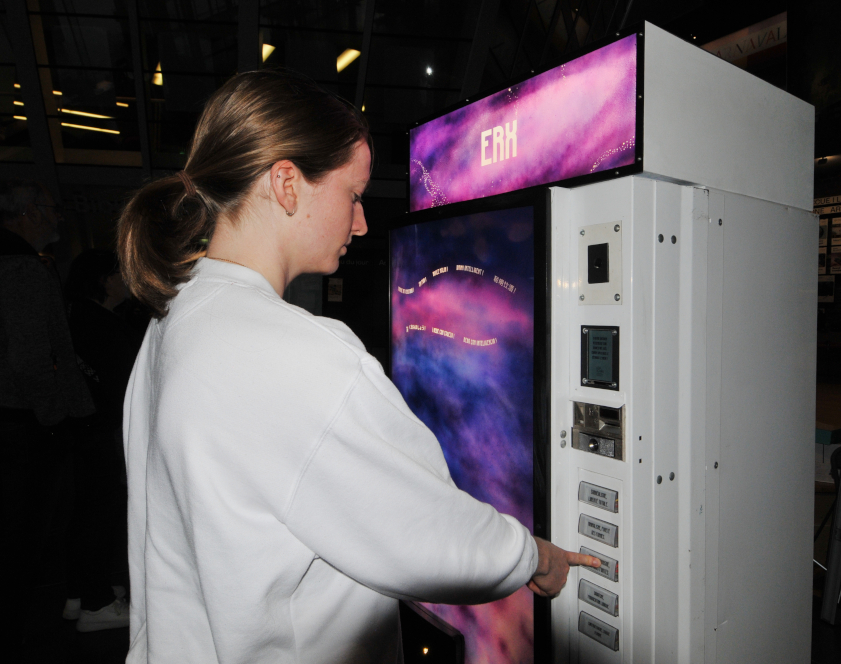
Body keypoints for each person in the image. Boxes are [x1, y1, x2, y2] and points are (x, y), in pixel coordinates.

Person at [117, 70, 597, 663]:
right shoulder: (300, 354)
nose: (362, 222)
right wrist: (534, 557)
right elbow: (426, 529)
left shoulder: (173, 320)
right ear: (287, 184)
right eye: (353, 194)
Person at [0, 180, 95, 659]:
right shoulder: (21, 270)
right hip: (21, 428)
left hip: (16, 422)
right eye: (52, 208)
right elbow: (32, 359)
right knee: (21, 541)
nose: (58, 216)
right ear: (28, 212)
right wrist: (56, 420)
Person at [63, 249, 142, 631]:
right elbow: (123, 385)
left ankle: (81, 593)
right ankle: (96, 604)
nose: (127, 279)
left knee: (86, 512)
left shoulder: (79, 316)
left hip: (84, 429)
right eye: (120, 273)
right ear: (104, 281)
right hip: (102, 430)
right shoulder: (101, 325)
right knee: (100, 513)